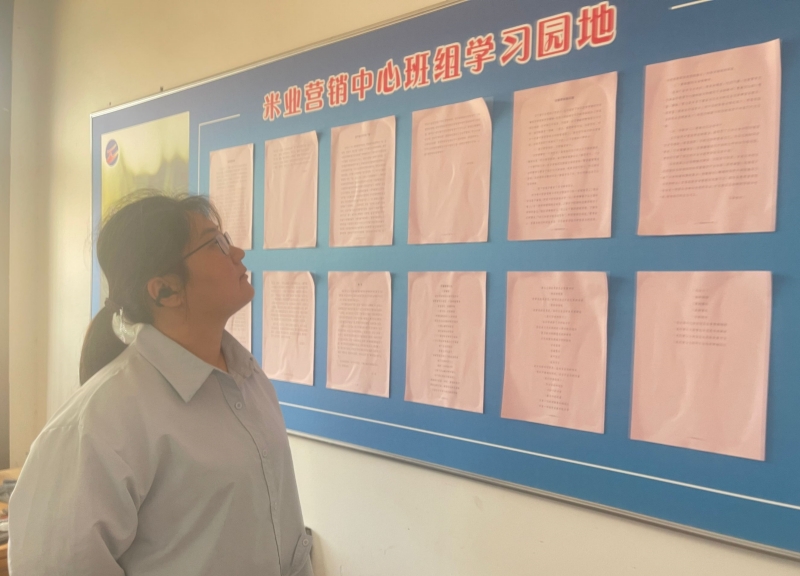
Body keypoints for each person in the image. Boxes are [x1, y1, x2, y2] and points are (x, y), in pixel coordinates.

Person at [8, 192, 313, 576]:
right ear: (165, 290)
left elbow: (284, 537)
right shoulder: (101, 421)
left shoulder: (249, 380)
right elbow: (53, 565)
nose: (237, 253)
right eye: (215, 244)